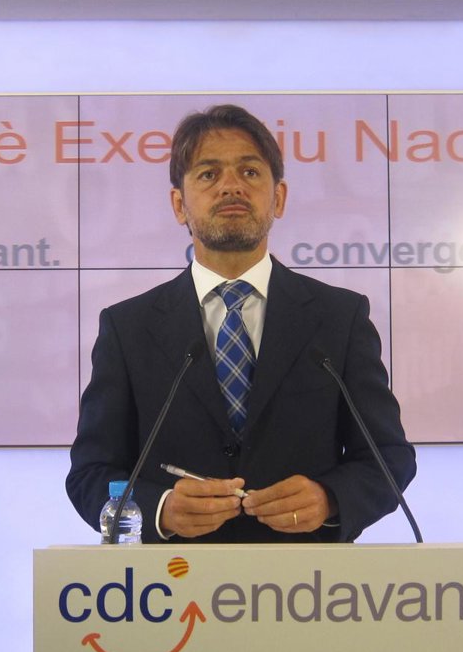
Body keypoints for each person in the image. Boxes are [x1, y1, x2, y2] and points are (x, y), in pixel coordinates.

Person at [66, 104, 415, 543]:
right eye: (208, 174)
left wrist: (330, 499)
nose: (231, 186)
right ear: (179, 205)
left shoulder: (339, 317)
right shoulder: (128, 327)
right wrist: (160, 510)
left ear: (279, 198)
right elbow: (91, 474)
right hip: (173, 579)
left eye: (250, 172)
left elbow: (389, 458)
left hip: (309, 578)